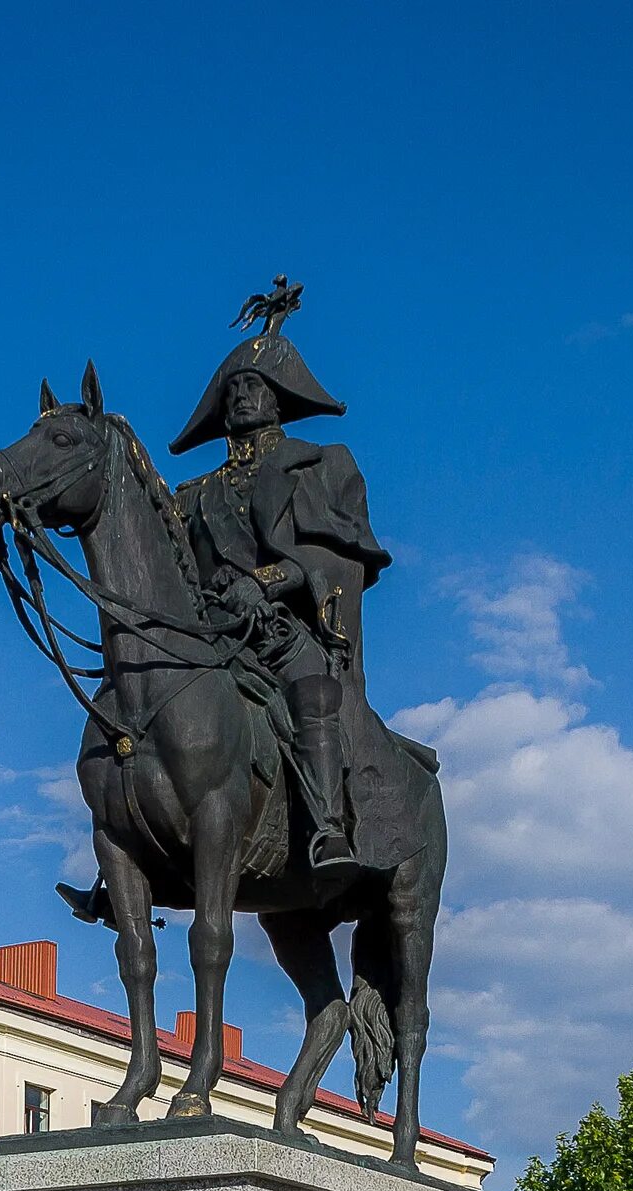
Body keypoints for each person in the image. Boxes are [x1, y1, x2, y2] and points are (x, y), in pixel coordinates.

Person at [170, 279, 391, 874]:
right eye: (235, 388)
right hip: (212, 634)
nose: (244, 397)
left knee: (312, 694)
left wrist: (264, 582)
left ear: (281, 397)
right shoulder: (192, 495)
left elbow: (336, 555)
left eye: (258, 386)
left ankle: (328, 828)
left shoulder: (322, 467)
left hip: (284, 630)